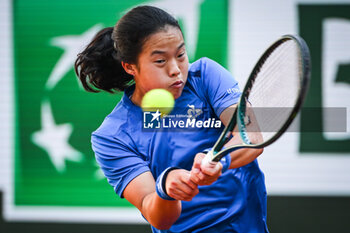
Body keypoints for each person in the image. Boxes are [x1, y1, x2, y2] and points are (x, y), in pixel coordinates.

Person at [75, 5, 268, 233]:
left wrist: (218, 159)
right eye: (160, 61)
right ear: (130, 67)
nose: (176, 70)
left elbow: (251, 136)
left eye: (180, 55)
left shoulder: (205, 77)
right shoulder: (111, 137)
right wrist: (165, 188)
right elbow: (158, 216)